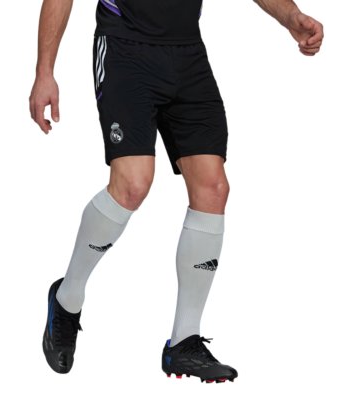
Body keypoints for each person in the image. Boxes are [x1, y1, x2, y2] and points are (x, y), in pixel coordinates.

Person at [29, 0, 324, 383]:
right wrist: (45, 71)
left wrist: (291, 17)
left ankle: (184, 340)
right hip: (125, 47)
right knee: (132, 184)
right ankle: (67, 298)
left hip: (187, 53)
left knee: (213, 189)